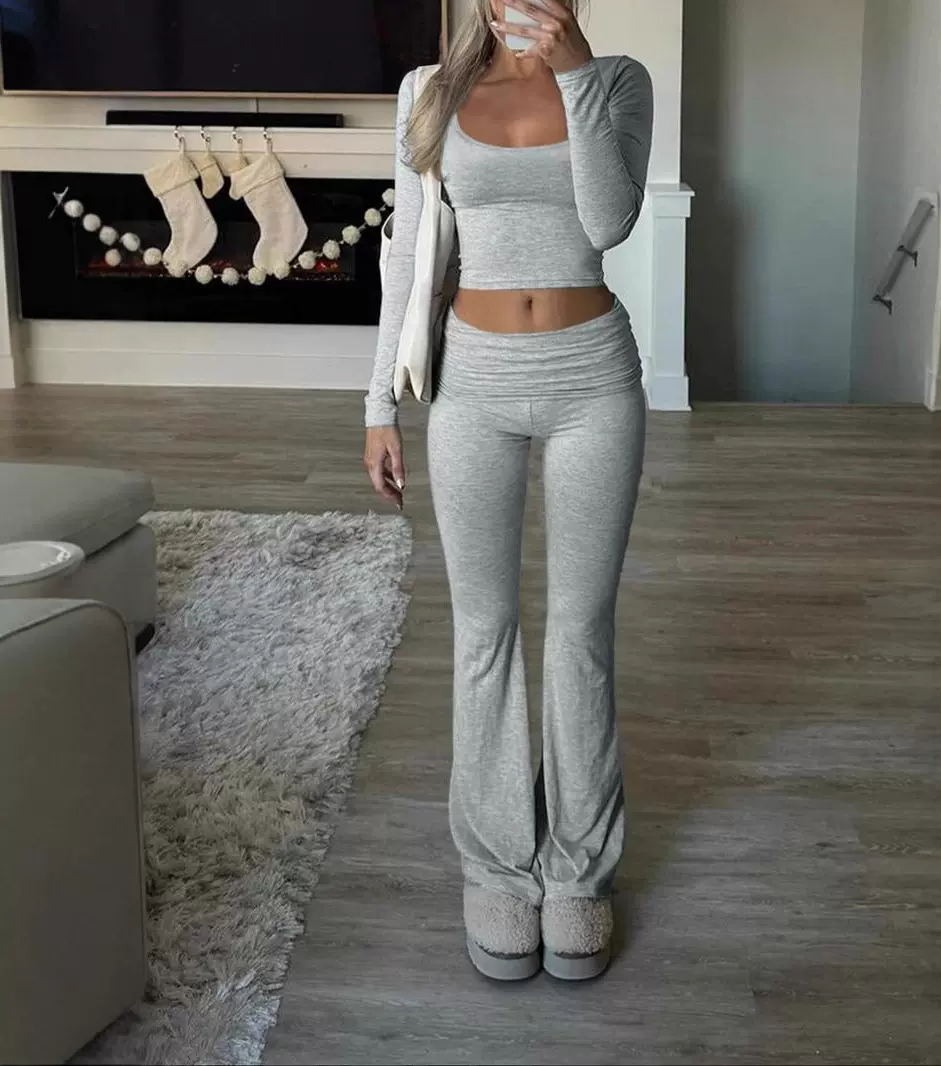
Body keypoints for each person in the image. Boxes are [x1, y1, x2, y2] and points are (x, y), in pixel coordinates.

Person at [363, 0, 652, 982]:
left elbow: (608, 221)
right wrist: (377, 406)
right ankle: (495, 866)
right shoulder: (428, 92)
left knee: (579, 633)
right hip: (471, 385)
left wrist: (575, 73)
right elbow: (406, 256)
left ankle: (578, 872)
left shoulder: (619, 82)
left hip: (592, 381)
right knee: (483, 632)